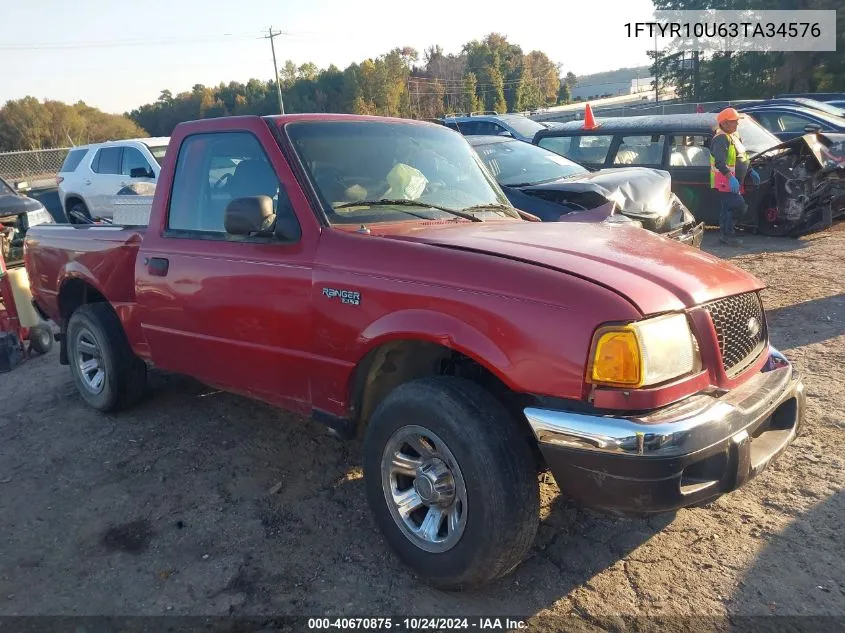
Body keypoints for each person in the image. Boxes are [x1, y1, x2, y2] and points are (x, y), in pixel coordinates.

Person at [710, 107, 761, 246]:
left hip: (735, 181)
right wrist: (730, 177)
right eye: (734, 121)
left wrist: (750, 171)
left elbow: (742, 156)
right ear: (725, 123)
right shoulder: (721, 138)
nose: (737, 124)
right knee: (737, 206)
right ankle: (727, 235)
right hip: (725, 182)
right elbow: (719, 162)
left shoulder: (734, 135)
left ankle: (728, 233)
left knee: (729, 208)